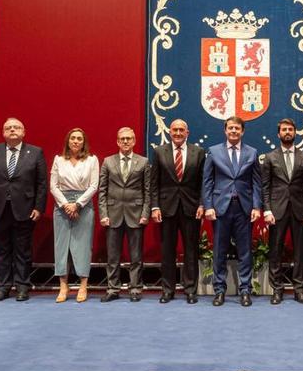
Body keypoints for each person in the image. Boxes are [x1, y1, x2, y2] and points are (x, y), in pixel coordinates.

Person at [0, 118, 47, 302]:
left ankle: (22, 286)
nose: (12, 130)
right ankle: (2, 287)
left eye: (16, 127)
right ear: (3, 133)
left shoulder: (35, 152)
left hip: (25, 209)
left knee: (22, 250)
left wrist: (39, 207)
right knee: (0, 250)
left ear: (23, 132)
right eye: (8, 128)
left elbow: (41, 184)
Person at [202, 116, 262, 307]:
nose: (234, 131)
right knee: (220, 251)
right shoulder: (213, 151)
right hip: (220, 208)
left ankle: (245, 290)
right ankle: (219, 290)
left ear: (242, 131)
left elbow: (256, 183)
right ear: (225, 131)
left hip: (243, 208)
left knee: (245, 252)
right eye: (230, 128)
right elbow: (207, 182)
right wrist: (208, 206)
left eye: (237, 128)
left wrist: (256, 206)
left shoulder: (252, 153)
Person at [261, 118, 303, 305]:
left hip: (300, 211)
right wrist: (267, 210)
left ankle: (299, 289)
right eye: (284, 130)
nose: (287, 132)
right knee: (275, 250)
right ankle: (277, 289)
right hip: (277, 211)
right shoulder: (270, 158)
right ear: (278, 134)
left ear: (295, 133)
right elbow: (265, 187)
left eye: (290, 130)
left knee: (300, 251)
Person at [150, 119, 205, 304]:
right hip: (167, 208)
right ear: (170, 132)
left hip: (191, 208)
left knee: (191, 250)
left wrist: (202, 204)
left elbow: (203, 183)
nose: (178, 133)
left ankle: (190, 290)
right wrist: (155, 206)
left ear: (187, 132)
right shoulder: (159, 152)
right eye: (175, 130)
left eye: (182, 130)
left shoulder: (199, 153)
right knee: (168, 251)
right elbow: (154, 182)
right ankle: (168, 290)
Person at [98, 127, 150, 302]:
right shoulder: (107, 162)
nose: (126, 141)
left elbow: (147, 191)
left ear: (134, 141)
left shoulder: (143, 162)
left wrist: (145, 213)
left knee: (136, 256)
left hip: (136, 214)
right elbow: (102, 190)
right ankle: (113, 289)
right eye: (122, 139)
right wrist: (103, 214)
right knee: (113, 257)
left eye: (129, 138)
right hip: (112, 215)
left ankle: (135, 289)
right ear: (117, 142)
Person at [49, 128, 99, 303]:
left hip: (83, 206)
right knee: (61, 246)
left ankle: (83, 286)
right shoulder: (58, 160)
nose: (76, 141)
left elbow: (94, 186)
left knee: (83, 246)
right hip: (62, 205)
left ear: (83, 142)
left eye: (79, 138)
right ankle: (63, 286)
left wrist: (77, 204)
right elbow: (53, 186)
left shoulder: (92, 160)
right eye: (73, 138)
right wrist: (65, 205)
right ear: (68, 141)